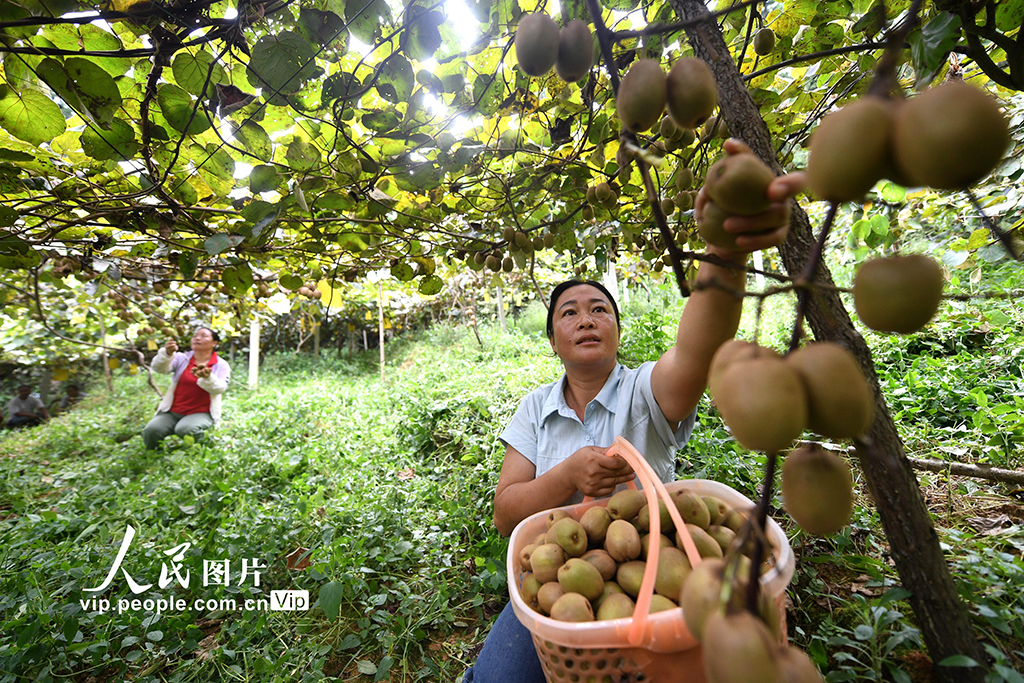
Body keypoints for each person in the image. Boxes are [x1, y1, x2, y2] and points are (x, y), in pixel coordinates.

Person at [462, 140, 807, 683]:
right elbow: (507, 515)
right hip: (564, 583)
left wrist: (726, 250)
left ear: (618, 332)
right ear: (553, 340)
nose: (586, 319)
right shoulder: (533, 409)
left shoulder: (645, 389)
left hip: (657, 568)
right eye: (569, 313)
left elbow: (698, 349)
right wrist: (569, 475)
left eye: (600, 309)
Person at [142, 327, 230, 449]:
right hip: (173, 411)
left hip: (201, 412)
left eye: (203, 336)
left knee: (185, 429)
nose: (197, 338)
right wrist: (167, 354)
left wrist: (208, 378)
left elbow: (220, 388)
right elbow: (159, 368)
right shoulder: (181, 358)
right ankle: (154, 455)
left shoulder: (221, 365)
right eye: (195, 336)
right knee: (151, 430)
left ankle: (203, 448)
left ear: (214, 343)